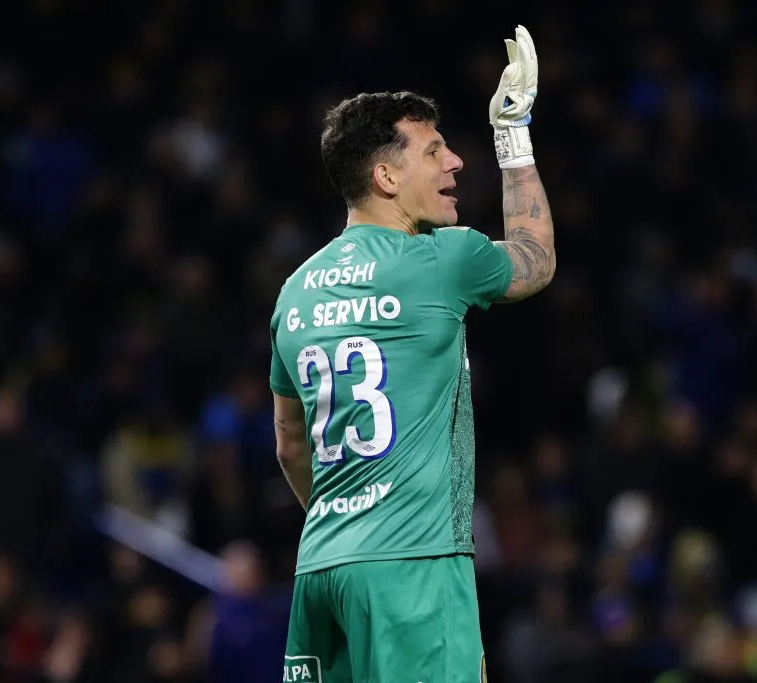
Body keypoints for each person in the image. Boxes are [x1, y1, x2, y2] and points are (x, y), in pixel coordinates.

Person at [269, 25, 554, 683]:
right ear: (386, 174)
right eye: (435, 150)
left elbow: (290, 445)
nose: (456, 161)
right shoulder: (440, 260)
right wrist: (513, 133)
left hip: (322, 570)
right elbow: (536, 261)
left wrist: (353, 528)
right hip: (414, 566)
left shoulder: (295, 292)